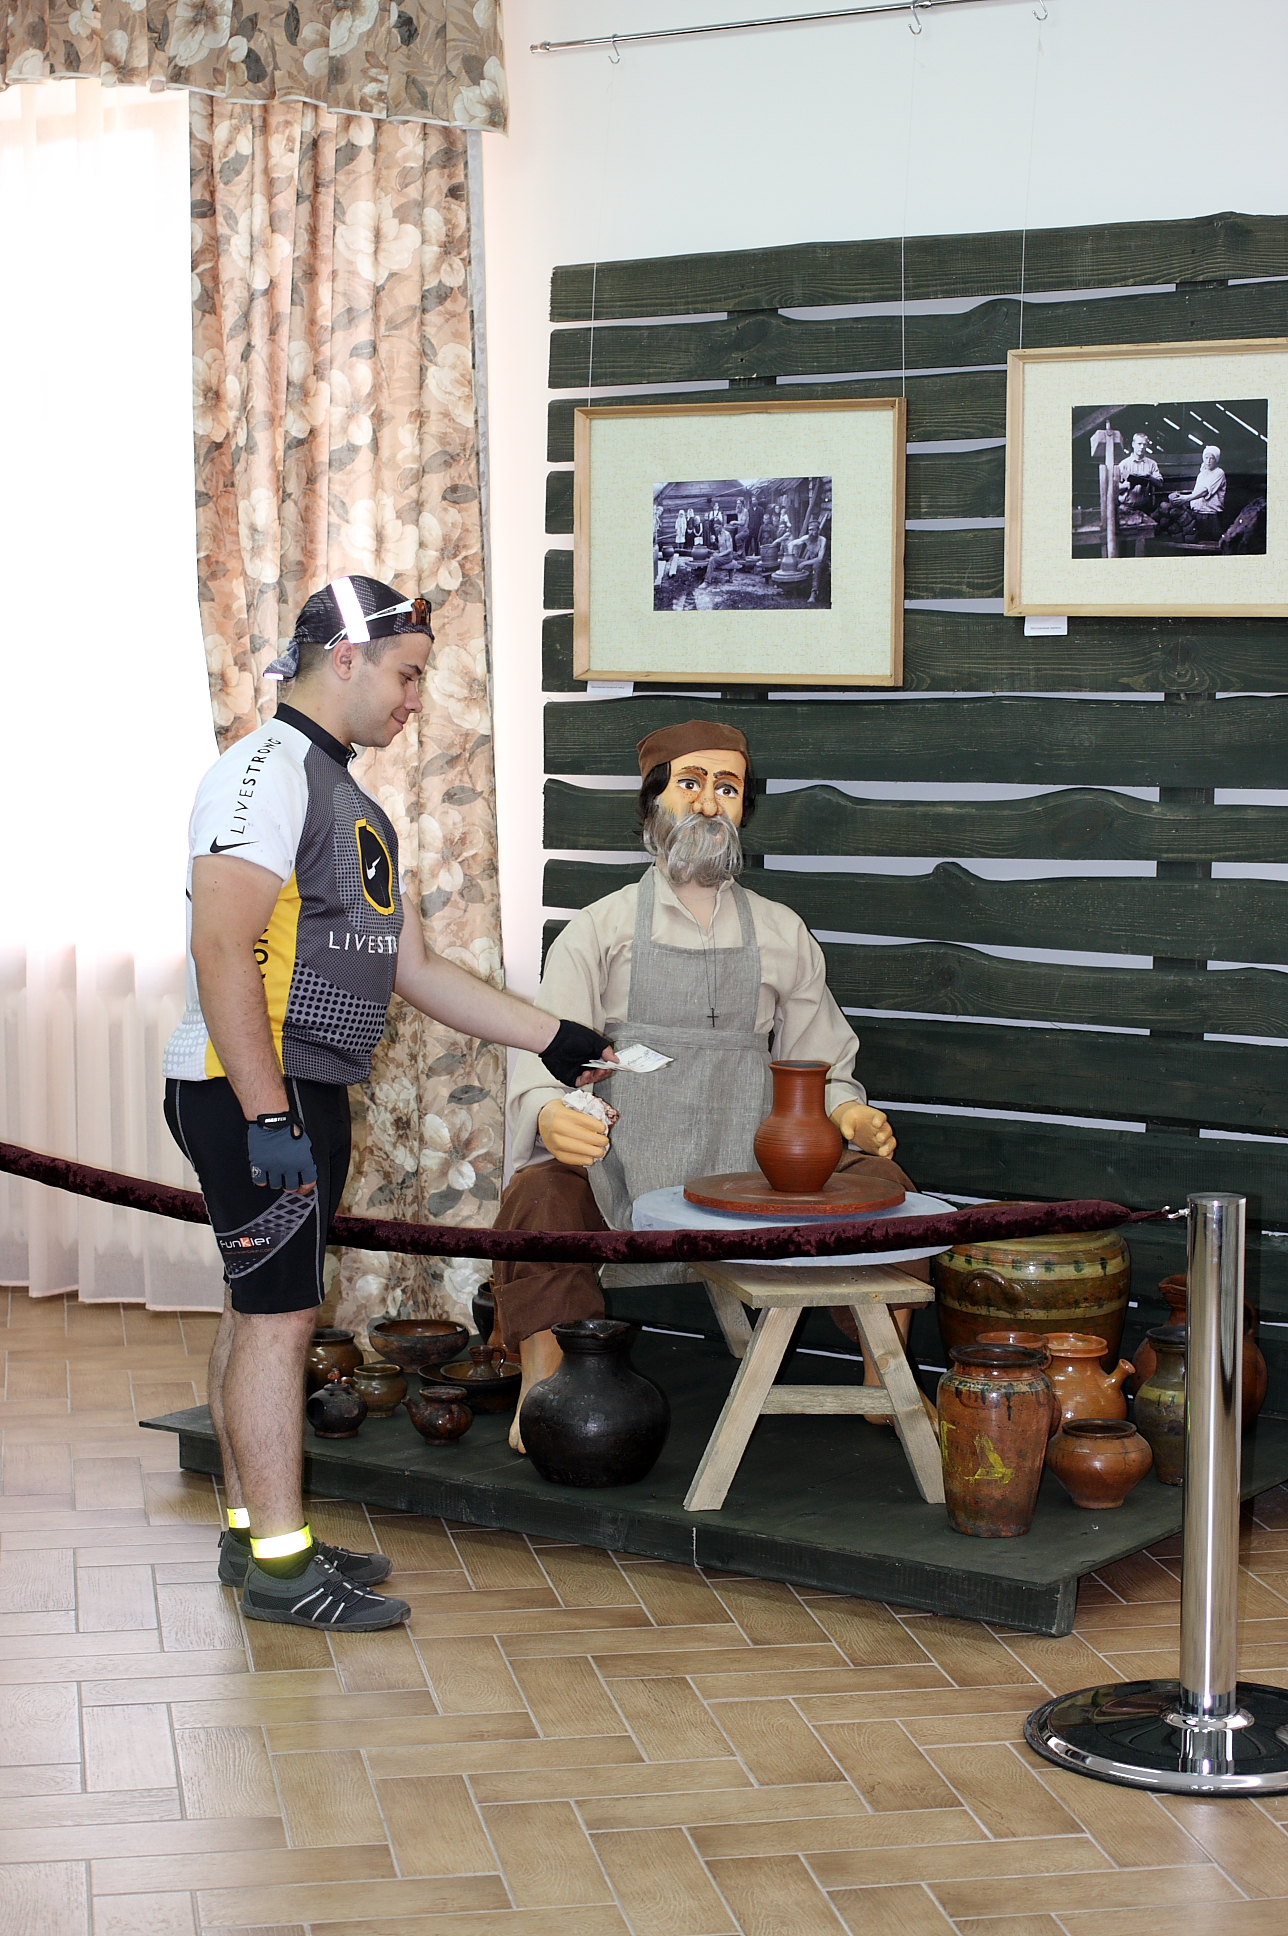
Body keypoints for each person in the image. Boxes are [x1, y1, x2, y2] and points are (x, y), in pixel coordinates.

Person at [163, 574, 611, 1628]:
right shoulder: (263, 773)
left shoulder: (346, 796)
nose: (416, 699)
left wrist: (556, 1037)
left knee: (256, 1310)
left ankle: (256, 1536)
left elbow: (415, 969)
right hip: (252, 1087)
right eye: (407, 676)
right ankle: (281, 1571)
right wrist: (267, 1114)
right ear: (346, 658)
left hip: (299, 1086)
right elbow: (222, 947)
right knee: (281, 1320)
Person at [492, 719, 922, 1451]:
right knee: (539, 1198)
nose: (707, 802)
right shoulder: (598, 930)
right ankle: (546, 1383)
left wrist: (847, 1112)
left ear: (744, 807)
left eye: (727, 787)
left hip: (758, 1173)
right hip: (621, 1167)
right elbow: (543, 1054)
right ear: (651, 802)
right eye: (689, 783)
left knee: (887, 1188)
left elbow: (819, 1062)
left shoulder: (783, 932)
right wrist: (549, 1114)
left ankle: (886, 1376)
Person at [1156, 445, 1227, 542]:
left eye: (1212, 458)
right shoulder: (1202, 474)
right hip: (1198, 513)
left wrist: (1185, 498)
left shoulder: (1219, 473)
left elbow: (1205, 491)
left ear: (1216, 460)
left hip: (1211, 516)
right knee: (1198, 541)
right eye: (1206, 458)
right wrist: (1180, 497)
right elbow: (1197, 492)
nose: (1208, 461)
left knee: (1212, 543)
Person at [1115, 432, 1164, 522]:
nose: (1142, 447)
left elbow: (1160, 484)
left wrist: (1149, 476)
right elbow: (1114, 488)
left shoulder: (1152, 464)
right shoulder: (1123, 464)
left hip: (1144, 509)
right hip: (1125, 508)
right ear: (1133, 444)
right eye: (1139, 444)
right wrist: (1127, 485)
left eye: (1144, 444)